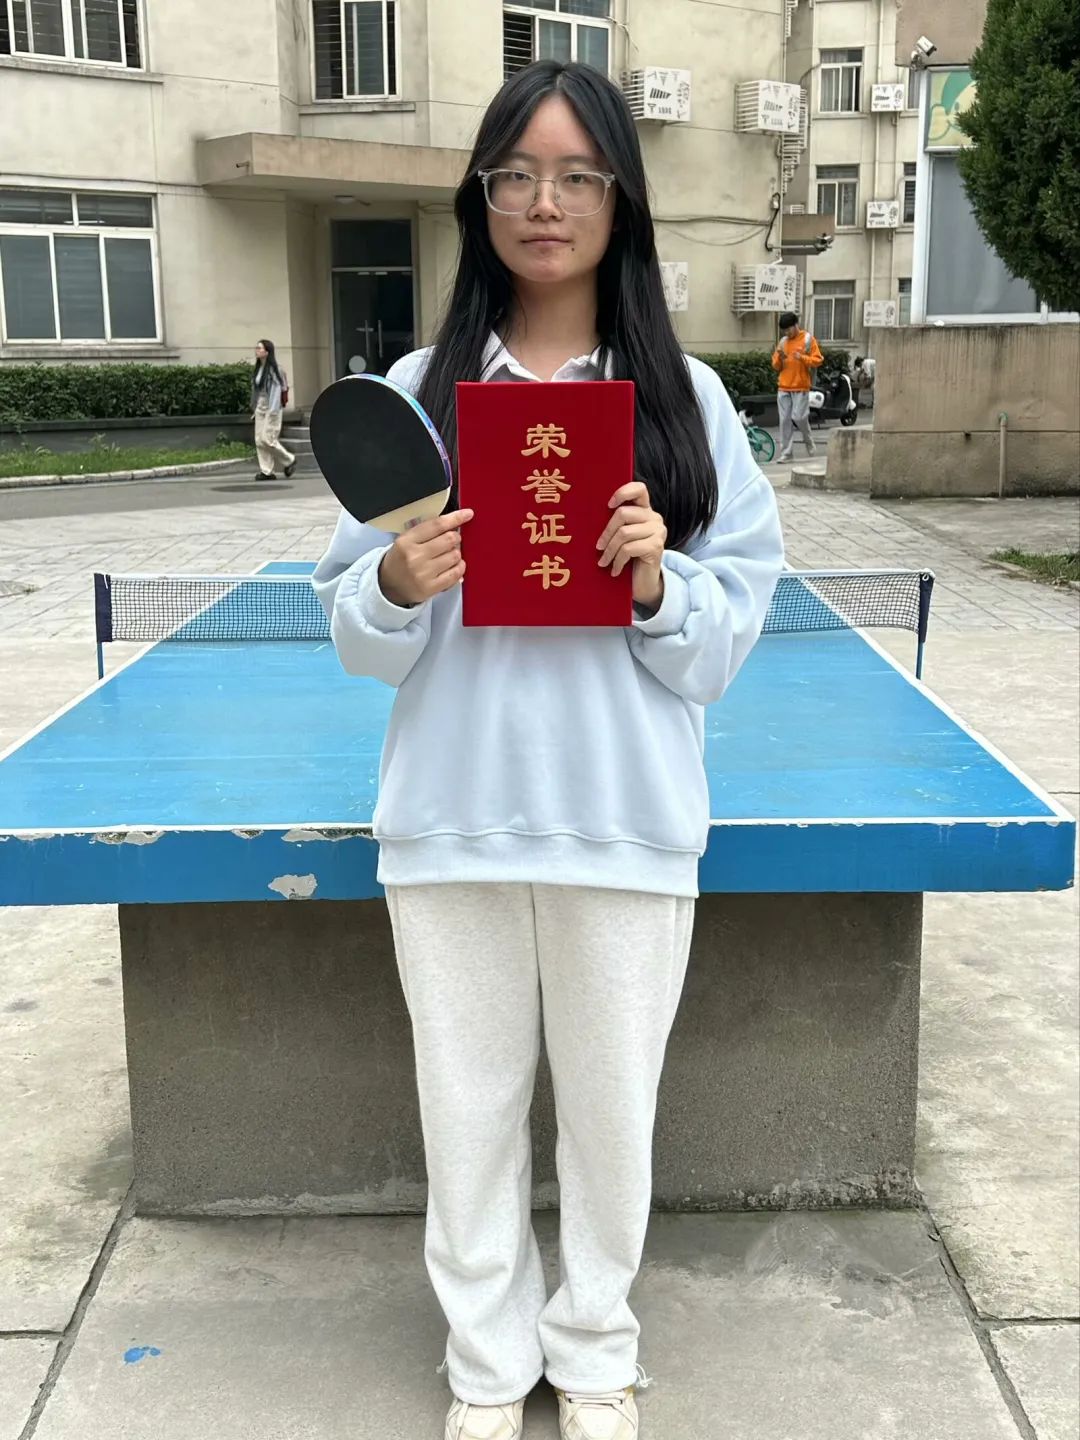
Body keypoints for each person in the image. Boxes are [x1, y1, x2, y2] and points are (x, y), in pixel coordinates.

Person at [313, 60, 784, 1440]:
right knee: (465, 1116)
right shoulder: (419, 391)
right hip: (450, 819)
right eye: (516, 174)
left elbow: (722, 642)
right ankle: (484, 1365)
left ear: (621, 201)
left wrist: (654, 580)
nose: (545, 202)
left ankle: (592, 1354)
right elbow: (354, 632)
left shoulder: (686, 403)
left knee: (611, 1121)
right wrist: (395, 581)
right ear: (481, 197)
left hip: (625, 825)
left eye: (579, 175)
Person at [771, 311, 823, 462]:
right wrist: (779, 359)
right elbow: (776, 366)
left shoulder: (807, 339)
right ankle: (787, 453)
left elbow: (818, 360)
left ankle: (808, 439)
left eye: (788, 329)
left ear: (795, 325)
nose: (787, 333)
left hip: (800, 386)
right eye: (784, 331)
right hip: (784, 386)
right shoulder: (783, 342)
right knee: (784, 420)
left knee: (799, 417)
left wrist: (803, 358)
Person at [251, 338, 296, 481]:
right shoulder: (259, 368)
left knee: (267, 439)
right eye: (257, 348)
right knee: (259, 440)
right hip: (260, 407)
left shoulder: (275, 370)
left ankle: (289, 460)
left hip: (272, 408)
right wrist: (254, 408)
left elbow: (276, 392)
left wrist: (272, 411)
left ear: (267, 352)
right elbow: (256, 390)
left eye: (260, 348)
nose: (257, 351)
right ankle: (266, 471)